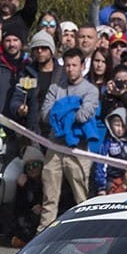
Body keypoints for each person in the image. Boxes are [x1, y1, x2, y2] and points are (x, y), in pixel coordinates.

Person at [38, 48, 100, 231]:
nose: (70, 69)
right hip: (55, 147)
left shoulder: (91, 90)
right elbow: (45, 115)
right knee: (49, 197)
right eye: (67, 65)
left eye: (74, 65)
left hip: (78, 150)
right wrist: (69, 109)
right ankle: (42, 233)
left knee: (81, 196)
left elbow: (84, 114)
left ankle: (87, 233)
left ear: (82, 66)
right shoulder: (55, 88)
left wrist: (61, 110)